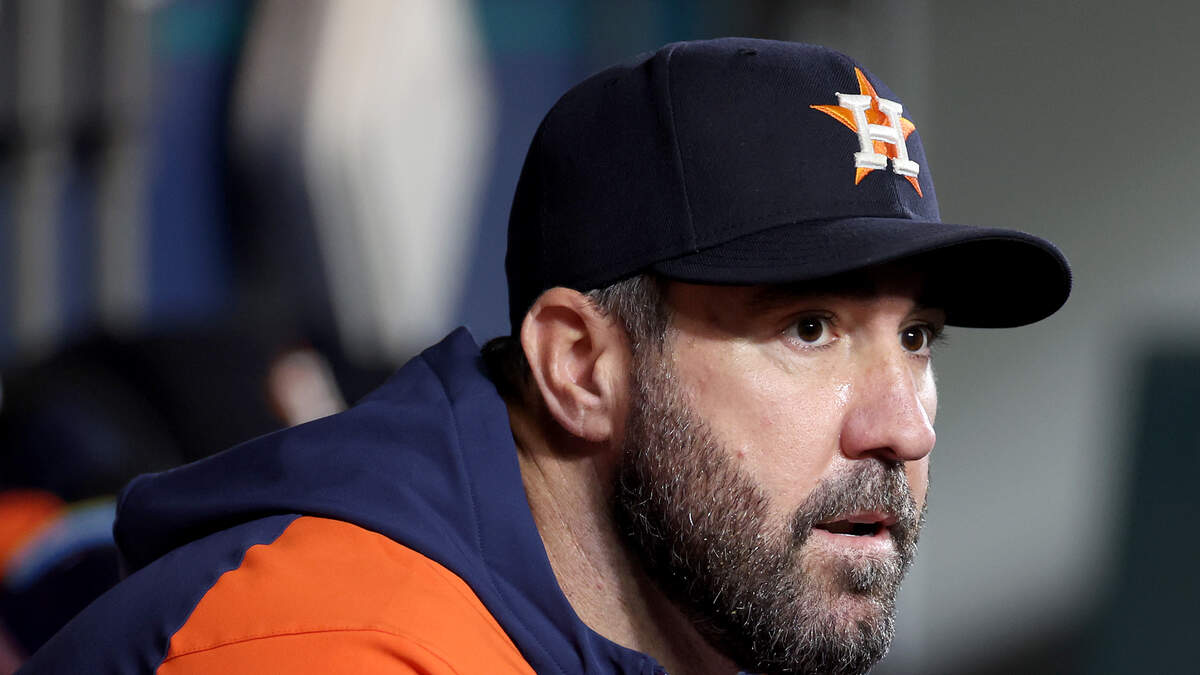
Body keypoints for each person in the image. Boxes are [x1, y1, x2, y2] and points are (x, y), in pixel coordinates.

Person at [20, 38, 1070, 675]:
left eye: (916, 337)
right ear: (578, 366)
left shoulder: (691, 615)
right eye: (810, 329)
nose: (905, 426)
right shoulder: (337, 647)